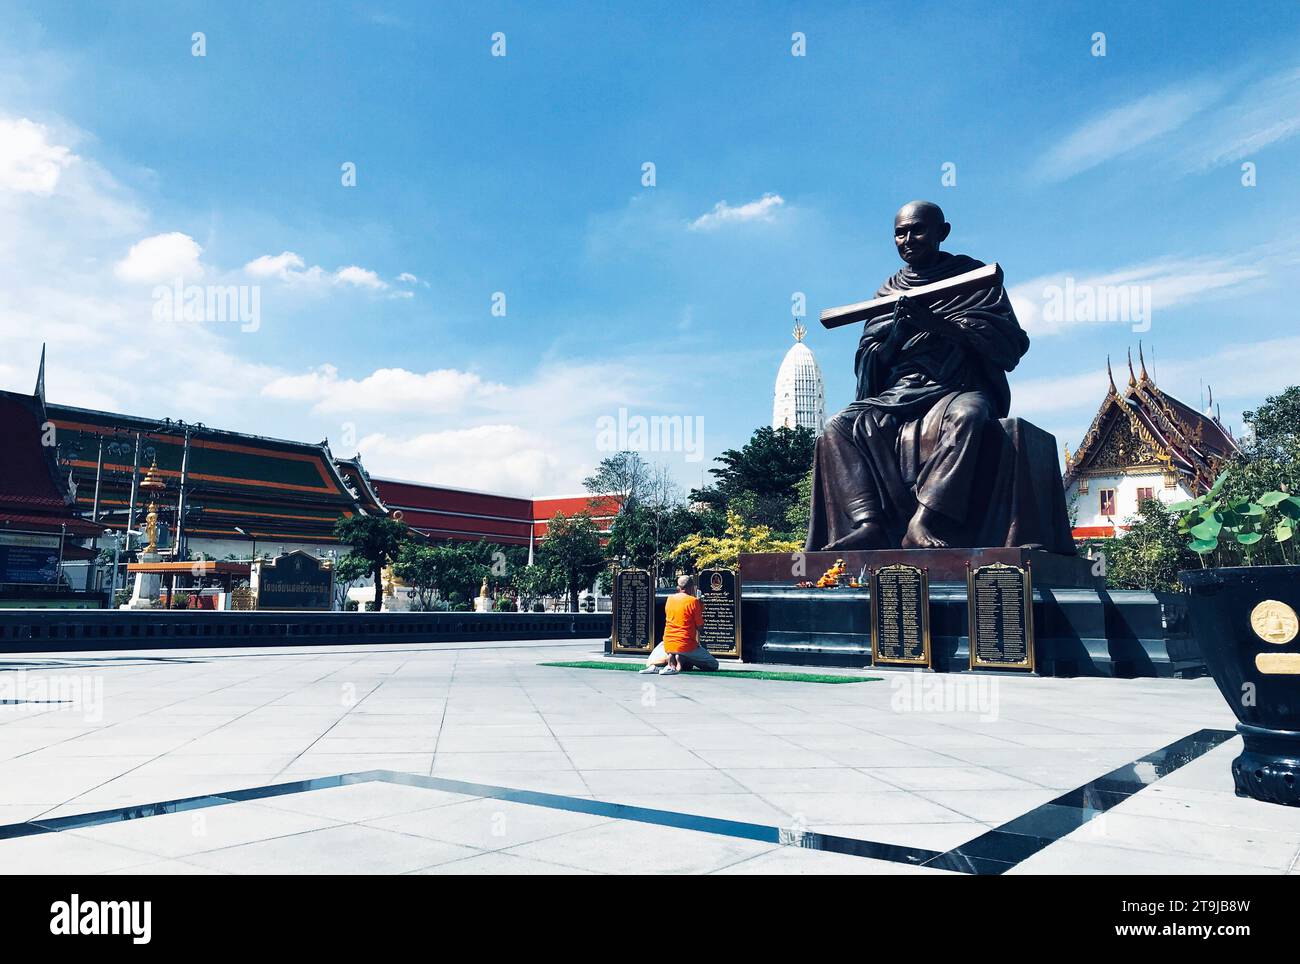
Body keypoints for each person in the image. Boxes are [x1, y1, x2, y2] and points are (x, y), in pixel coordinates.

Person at [805, 200, 1030, 551]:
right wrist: (897, 335)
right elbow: (870, 362)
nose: (908, 239)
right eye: (900, 233)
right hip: (900, 392)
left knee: (968, 415)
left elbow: (1009, 347)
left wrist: (941, 327)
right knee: (838, 427)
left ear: (943, 232)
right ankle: (870, 523)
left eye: (917, 229)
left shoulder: (973, 279)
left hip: (955, 387)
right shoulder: (888, 292)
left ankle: (923, 519)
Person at [640, 575, 719, 675]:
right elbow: (700, 628)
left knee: (653, 661)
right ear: (691, 587)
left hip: (668, 643)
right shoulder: (693, 601)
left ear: (679, 587)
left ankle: (663, 664)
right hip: (685, 644)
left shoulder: (670, 599)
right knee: (713, 664)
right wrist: (700, 606)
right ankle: (680, 658)